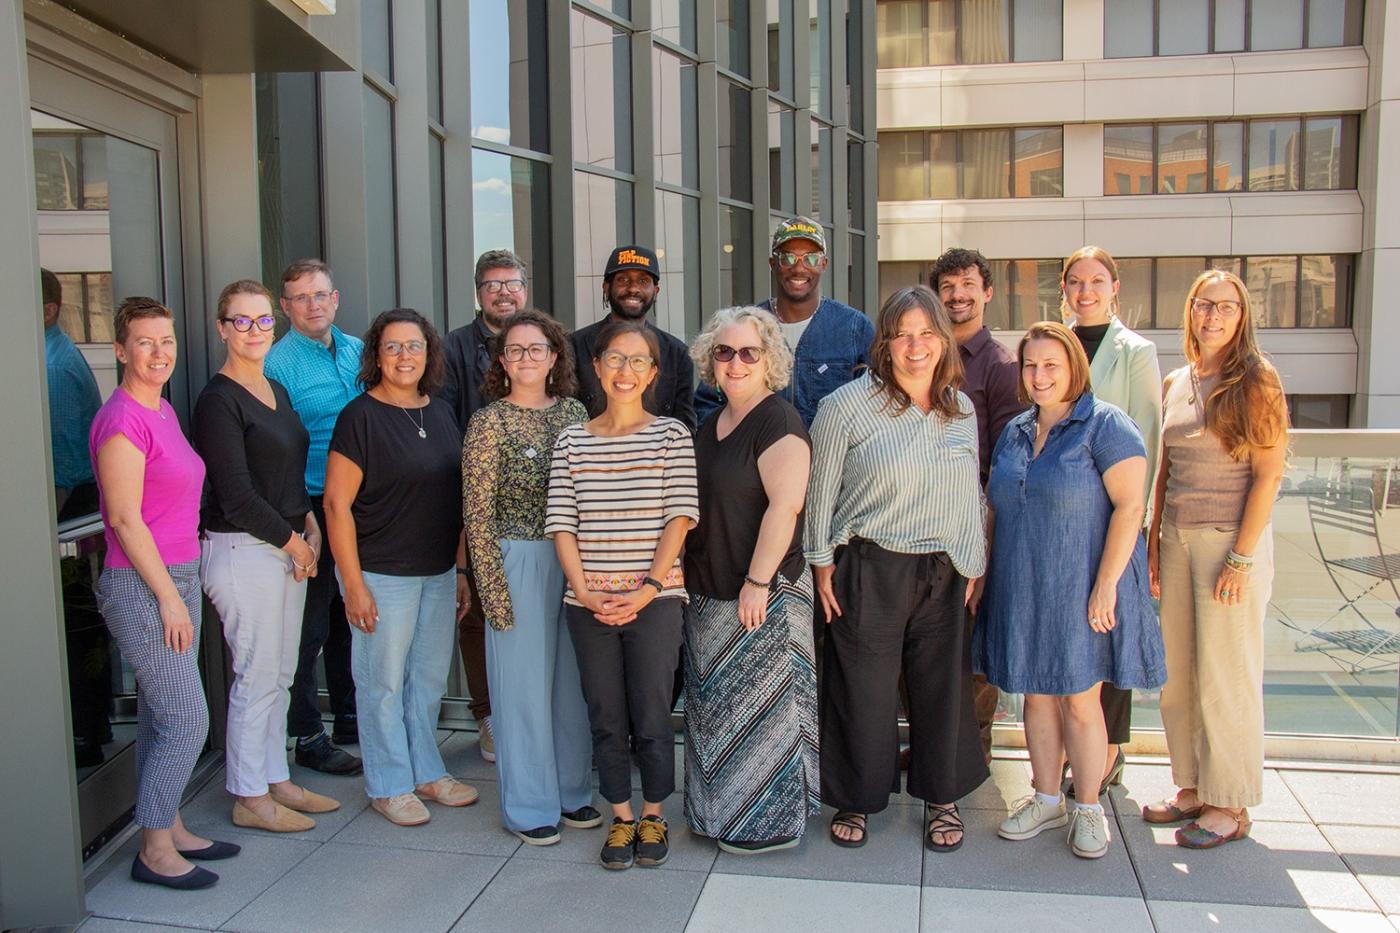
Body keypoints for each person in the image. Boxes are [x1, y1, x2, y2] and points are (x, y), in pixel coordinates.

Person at [805, 285, 988, 852]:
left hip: (946, 570)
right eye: (903, 334)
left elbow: (969, 492)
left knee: (942, 690)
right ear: (885, 342)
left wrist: (973, 560)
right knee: (863, 689)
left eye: (927, 334)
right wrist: (820, 563)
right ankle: (856, 799)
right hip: (869, 565)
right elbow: (819, 491)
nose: (916, 346)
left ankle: (942, 799)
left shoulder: (962, 409)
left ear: (943, 341)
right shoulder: (844, 406)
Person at [976, 321, 1165, 861]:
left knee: (1081, 700)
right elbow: (998, 507)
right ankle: (1044, 797)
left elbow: (1131, 507)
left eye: (1051, 365)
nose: (1039, 376)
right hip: (1023, 582)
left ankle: (1087, 807)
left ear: (1074, 369)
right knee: (1035, 695)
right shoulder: (1015, 431)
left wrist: (1106, 584)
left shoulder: (1107, 426)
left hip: (1081, 581)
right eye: (1030, 366)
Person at [90, 297, 239, 889]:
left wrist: (180, 587)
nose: (159, 353)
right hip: (142, 584)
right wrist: (171, 599)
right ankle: (153, 849)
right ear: (121, 350)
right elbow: (125, 521)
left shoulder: (162, 411)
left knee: (157, 715)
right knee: (186, 718)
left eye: (167, 341)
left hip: (174, 575)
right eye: (145, 342)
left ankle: (169, 823)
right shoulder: (123, 419)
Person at [546, 319, 699, 870]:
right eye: (615, 359)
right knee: (605, 715)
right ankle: (621, 817)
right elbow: (562, 522)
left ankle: (654, 811)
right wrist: (585, 592)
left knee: (652, 713)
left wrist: (648, 589)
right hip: (587, 606)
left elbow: (679, 518)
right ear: (596, 366)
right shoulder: (572, 440)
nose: (625, 371)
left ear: (654, 373)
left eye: (638, 361)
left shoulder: (671, 435)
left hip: (653, 603)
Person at [1145, 270, 1288, 849]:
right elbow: (1166, 470)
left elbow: (1270, 473)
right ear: (1191, 310)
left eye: (1225, 307)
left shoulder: (1257, 379)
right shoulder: (1178, 379)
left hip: (1230, 543)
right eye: (1204, 304)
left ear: (1242, 315)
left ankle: (1229, 802)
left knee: (1225, 677)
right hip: (1177, 539)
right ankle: (1192, 787)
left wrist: (1242, 558)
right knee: (1178, 676)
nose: (1213, 316)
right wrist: (1154, 543)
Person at [193, 280, 340, 834]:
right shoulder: (218, 400)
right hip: (244, 550)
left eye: (261, 321)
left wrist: (308, 522)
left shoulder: (276, 387)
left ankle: (276, 777)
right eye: (241, 321)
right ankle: (248, 795)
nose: (254, 331)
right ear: (221, 328)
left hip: (284, 545)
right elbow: (235, 493)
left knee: (280, 672)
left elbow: (287, 474)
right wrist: (296, 541)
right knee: (255, 675)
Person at [324, 308, 479, 826]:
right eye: (392, 347)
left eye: (413, 346)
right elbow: (335, 506)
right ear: (376, 355)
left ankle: (426, 771)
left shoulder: (438, 412)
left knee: (427, 680)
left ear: (429, 353)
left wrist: (458, 571)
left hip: (437, 573)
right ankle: (388, 783)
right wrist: (352, 584)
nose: (404, 356)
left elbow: (455, 499)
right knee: (382, 683)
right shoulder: (359, 418)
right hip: (380, 574)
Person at [682, 306, 818, 855]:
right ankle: (715, 816)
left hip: (762, 594)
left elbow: (785, 508)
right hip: (710, 593)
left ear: (769, 361)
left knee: (762, 716)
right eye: (724, 351)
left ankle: (768, 824)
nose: (735, 362)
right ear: (709, 361)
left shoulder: (778, 420)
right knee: (718, 712)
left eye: (748, 352)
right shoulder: (710, 423)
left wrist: (757, 583)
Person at [462, 309, 599, 845]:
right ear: (501, 360)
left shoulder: (573, 412)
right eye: (514, 349)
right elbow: (476, 512)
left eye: (535, 349)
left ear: (554, 357)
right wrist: (492, 591)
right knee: (520, 689)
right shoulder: (488, 421)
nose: (525, 358)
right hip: (514, 559)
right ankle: (527, 805)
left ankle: (571, 793)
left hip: (574, 563)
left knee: (571, 684)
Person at [1060, 245, 1163, 796]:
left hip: (1116, 515)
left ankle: (1111, 751)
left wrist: (1138, 525)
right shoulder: (1054, 344)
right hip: (1063, 519)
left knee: (1109, 634)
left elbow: (1147, 433)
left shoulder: (1136, 351)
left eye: (1097, 280)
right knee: (1073, 634)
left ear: (1114, 287)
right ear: (1063, 289)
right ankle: (1072, 749)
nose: (1086, 291)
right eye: (1076, 281)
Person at [264, 259, 363, 776]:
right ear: (285, 307)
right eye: (300, 298)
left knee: (352, 617)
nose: (312, 305)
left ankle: (349, 715)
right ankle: (306, 733)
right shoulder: (277, 364)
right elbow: (274, 446)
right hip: (311, 506)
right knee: (310, 625)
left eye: (320, 294)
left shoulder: (358, 352)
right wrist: (304, 520)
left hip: (363, 505)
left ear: (335, 298)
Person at [930, 248, 1028, 764]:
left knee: (971, 650)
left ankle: (973, 755)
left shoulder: (1003, 367)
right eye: (947, 286)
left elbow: (1008, 465)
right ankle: (932, 746)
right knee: (927, 646)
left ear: (987, 292)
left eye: (968, 284)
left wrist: (984, 544)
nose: (958, 295)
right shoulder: (924, 354)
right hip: (922, 523)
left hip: (977, 526)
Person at [441, 249, 534, 762]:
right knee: (477, 614)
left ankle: (530, 711)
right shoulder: (452, 348)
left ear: (525, 289)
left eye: (512, 283)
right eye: (493, 284)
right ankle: (488, 716)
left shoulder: (547, 340)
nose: (503, 292)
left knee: (536, 615)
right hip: (472, 503)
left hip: (537, 510)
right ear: (478, 292)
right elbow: (447, 425)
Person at [695, 216, 873, 428]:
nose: (799, 268)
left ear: (824, 264)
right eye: (788, 258)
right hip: (757, 458)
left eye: (811, 259)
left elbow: (874, 404)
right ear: (773, 263)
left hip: (831, 459)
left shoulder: (854, 328)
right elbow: (707, 403)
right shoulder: (746, 327)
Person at [571, 246, 696, 431]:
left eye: (644, 281)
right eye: (623, 279)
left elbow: (686, 426)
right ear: (606, 287)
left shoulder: (677, 354)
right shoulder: (573, 346)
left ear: (656, 291)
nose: (633, 288)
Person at [42, 267, 103, 520]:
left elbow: (61, 452)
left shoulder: (52, 365)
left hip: (69, 496)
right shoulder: (51, 352)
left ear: (49, 311)